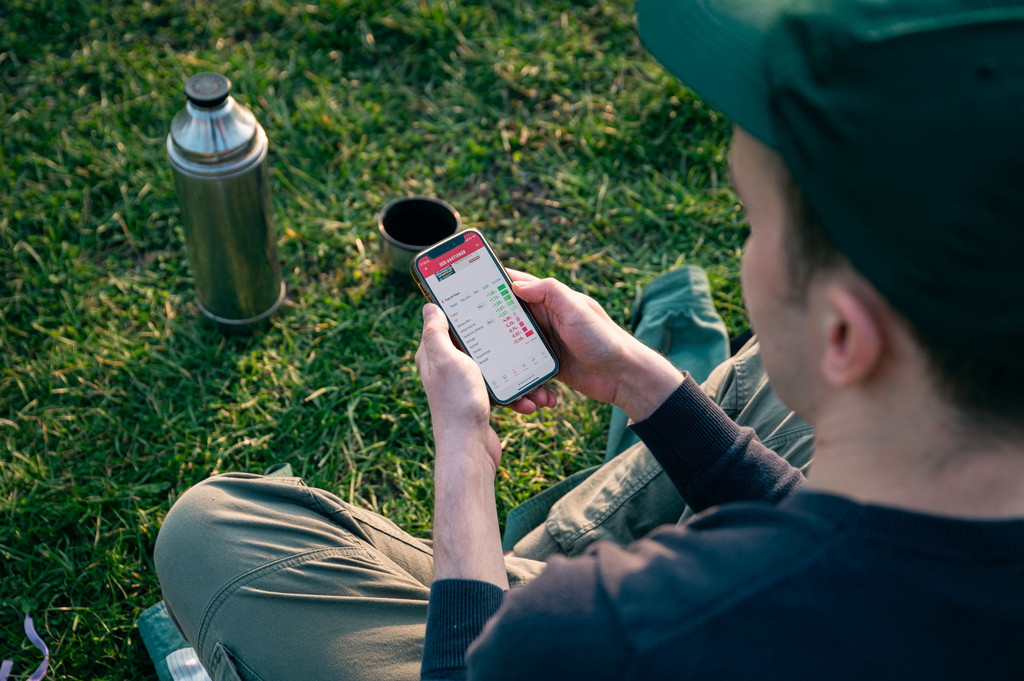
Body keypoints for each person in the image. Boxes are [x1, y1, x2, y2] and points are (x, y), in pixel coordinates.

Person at [155, 0, 1024, 678]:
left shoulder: (594, 635)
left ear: (845, 331)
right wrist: (642, 381)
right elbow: (870, 575)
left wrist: (463, 454)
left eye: (753, 225)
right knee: (761, 373)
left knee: (211, 532)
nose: (746, 255)